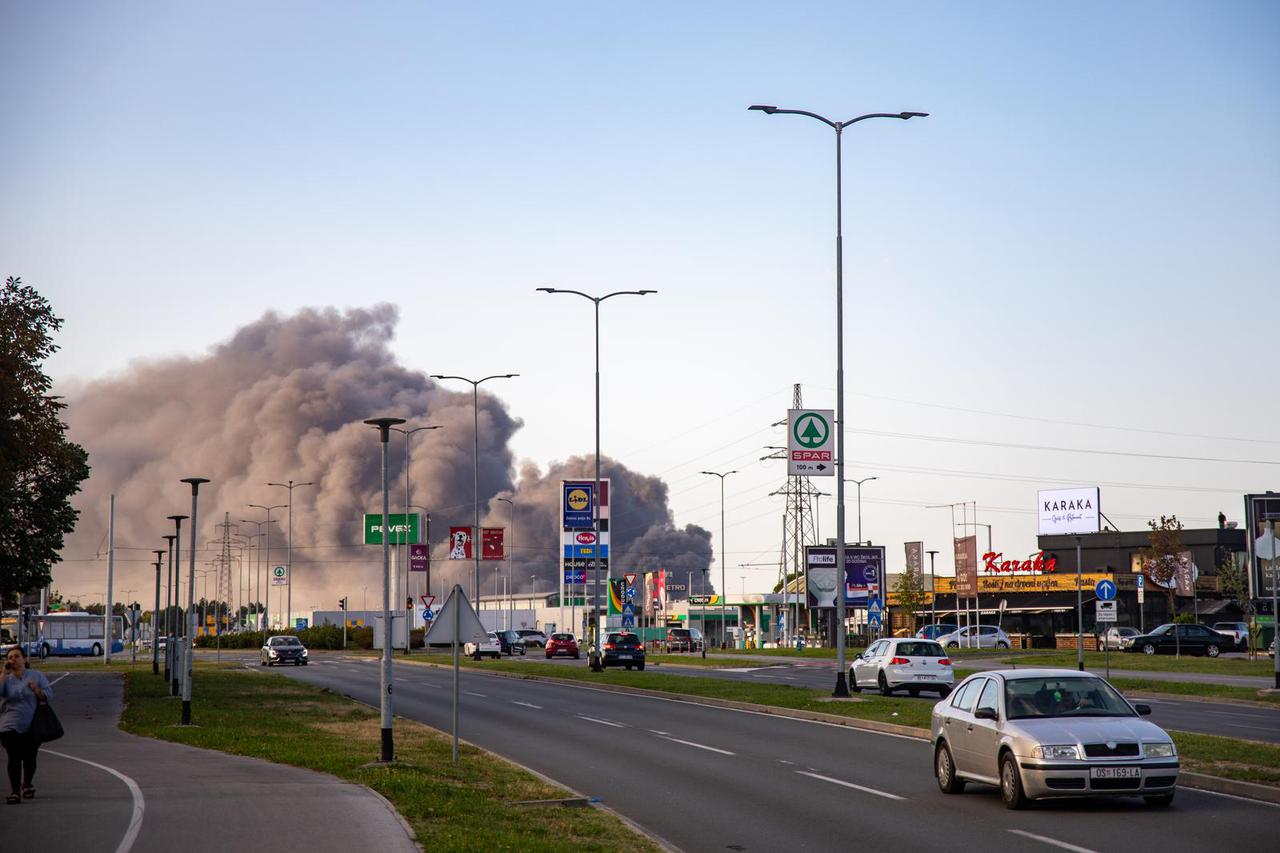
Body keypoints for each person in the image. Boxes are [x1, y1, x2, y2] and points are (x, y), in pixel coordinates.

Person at [0, 646, 54, 804]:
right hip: (8, 724)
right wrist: (3, 672)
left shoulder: (36, 676)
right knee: (13, 757)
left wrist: (36, 690)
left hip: (32, 724)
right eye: (10, 657)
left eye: (16, 656)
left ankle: (27, 783)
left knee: (30, 757)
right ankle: (15, 791)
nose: (13, 660)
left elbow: (48, 696)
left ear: (25, 659)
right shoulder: (6, 679)